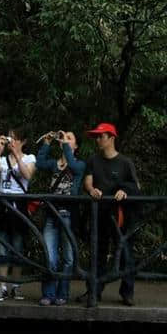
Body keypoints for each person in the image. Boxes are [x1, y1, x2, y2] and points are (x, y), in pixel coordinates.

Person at [80, 122, 140, 306]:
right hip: (100, 214)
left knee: (125, 253)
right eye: (96, 136)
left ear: (111, 138)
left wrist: (124, 191)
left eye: (101, 136)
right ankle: (94, 290)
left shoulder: (125, 162)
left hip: (121, 216)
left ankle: (127, 292)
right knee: (98, 252)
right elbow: (88, 182)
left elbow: (136, 186)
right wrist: (92, 190)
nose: (98, 139)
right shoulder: (93, 160)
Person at [35, 130, 85, 306]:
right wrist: (47, 143)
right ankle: (48, 293)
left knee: (69, 258)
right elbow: (40, 163)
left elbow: (71, 163)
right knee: (50, 256)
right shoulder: (54, 164)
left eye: (70, 139)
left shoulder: (80, 165)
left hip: (69, 215)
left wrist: (64, 144)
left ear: (75, 146)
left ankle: (62, 293)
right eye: (65, 138)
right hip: (51, 214)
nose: (66, 140)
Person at [0, 127, 36, 301]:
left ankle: (16, 285)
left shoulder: (29, 158)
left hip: (19, 205)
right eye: (10, 138)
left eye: (15, 139)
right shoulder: (2, 160)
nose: (12, 142)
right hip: (3, 204)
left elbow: (28, 175)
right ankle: (2, 286)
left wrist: (16, 155)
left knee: (18, 247)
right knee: (2, 246)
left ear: (23, 141)